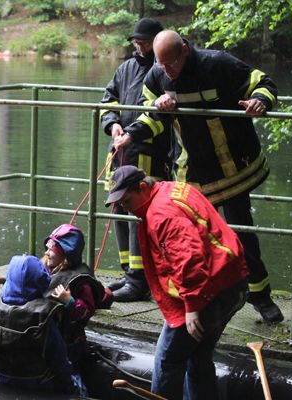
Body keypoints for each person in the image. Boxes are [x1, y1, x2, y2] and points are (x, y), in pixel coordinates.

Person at [116, 30, 282, 324]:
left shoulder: (218, 64)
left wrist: (260, 102)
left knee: (241, 234)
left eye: (171, 63)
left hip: (232, 169)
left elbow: (263, 83)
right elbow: (150, 117)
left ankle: (261, 296)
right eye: (160, 64)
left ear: (185, 50)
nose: (166, 70)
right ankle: (200, 296)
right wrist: (132, 132)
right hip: (191, 171)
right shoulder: (157, 76)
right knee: (189, 238)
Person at [105, 165, 248, 399]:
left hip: (208, 291)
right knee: (199, 356)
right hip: (232, 282)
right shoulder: (171, 189)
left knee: (168, 359)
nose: (125, 208)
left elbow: (189, 258)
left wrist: (192, 307)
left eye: (126, 201)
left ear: (142, 187)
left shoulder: (161, 214)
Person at [100, 17, 171, 302]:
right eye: (136, 43)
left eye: (143, 43)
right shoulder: (126, 68)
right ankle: (128, 271)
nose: (139, 47)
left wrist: (132, 132)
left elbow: (161, 114)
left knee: (139, 214)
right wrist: (112, 123)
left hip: (147, 153)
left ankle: (140, 280)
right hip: (119, 152)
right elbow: (108, 99)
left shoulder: (163, 70)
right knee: (117, 209)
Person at [0, 255, 77, 393]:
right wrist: (69, 388)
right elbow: (59, 361)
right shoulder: (42, 316)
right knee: (78, 381)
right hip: (39, 382)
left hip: (2, 377)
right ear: (41, 281)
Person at [42, 224, 113, 382]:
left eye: (51, 250)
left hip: (70, 341)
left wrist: (70, 301)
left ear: (66, 253)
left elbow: (86, 311)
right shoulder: (49, 268)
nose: (46, 253)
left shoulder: (81, 282)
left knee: (70, 372)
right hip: (50, 334)